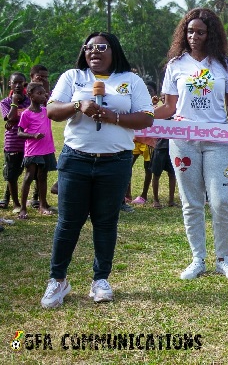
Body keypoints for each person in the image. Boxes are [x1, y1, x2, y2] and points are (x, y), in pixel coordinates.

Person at [40, 31, 154, 308]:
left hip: (115, 162)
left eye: (101, 47)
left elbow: (147, 117)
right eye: (89, 47)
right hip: (76, 160)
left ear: (113, 50)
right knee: (68, 223)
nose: (94, 52)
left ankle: (100, 280)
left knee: (105, 223)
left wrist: (113, 116)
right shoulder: (73, 77)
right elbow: (52, 111)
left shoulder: (130, 80)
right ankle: (58, 280)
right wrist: (79, 104)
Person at [154, 8, 228, 281]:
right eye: (190, 31)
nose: (194, 36)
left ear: (210, 34)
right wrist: (142, 117)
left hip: (218, 141)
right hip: (183, 141)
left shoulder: (225, 66)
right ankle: (198, 259)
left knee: (221, 201)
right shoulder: (175, 65)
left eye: (200, 32)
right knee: (191, 202)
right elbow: (168, 105)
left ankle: (224, 259)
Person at [16, 82, 57, 219]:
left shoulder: (46, 111)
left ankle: (42, 205)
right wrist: (33, 135)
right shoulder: (26, 114)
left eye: (43, 93)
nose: (42, 96)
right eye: (39, 94)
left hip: (46, 150)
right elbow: (20, 132)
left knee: (42, 177)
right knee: (28, 177)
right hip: (33, 151)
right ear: (30, 96)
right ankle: (22, 208)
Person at [1, 72, 30, 213]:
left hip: (29, 144)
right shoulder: (5, 102)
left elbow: (32, 118)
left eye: (21, 83)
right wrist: (14, 101)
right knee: (12, 176)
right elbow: (10, 118)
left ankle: (25, 202)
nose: (18, 85)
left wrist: (14, 119)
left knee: (28, 174)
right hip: (12, 144)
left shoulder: (30, 101)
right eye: (15, 83)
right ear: (10, 84)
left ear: (25, 84)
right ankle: (16, 204)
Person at [30, 64, 53, 204]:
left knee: (41, 171)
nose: (43, 80)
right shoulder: (25, 92)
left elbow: (50, 108)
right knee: (25, 171)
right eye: (40, 77)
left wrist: (47, 90)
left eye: (45, 77)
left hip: (43, 139)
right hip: (27, 138)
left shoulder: (45, 94)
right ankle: (9, 198)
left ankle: (36, 198)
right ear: (32, 76)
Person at [150, 91, 177, 209]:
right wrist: (152, 104)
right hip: (160, 147)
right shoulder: (157, 111)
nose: (164, 98)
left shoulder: (177, 111)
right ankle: (156, 200)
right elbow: (147, 115)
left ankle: (171, 200)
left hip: (173, 146)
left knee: (172, 174)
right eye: (162, 97)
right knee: (156, 174)